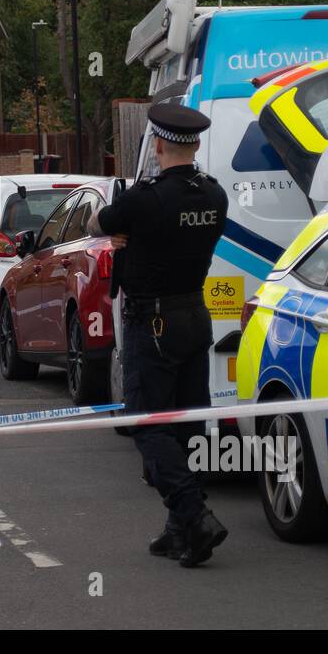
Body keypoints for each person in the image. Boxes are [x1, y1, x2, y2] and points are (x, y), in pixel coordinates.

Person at [89, 103, 229, 567]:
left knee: (146, 424)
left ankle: (193, 514)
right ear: (197, 144)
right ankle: (180, 531)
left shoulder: (144, 199)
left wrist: (120, 236)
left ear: (159, 144)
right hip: (194, 315)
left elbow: (96, 224)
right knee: (187, 426)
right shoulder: (214, 195)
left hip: (152, 323)